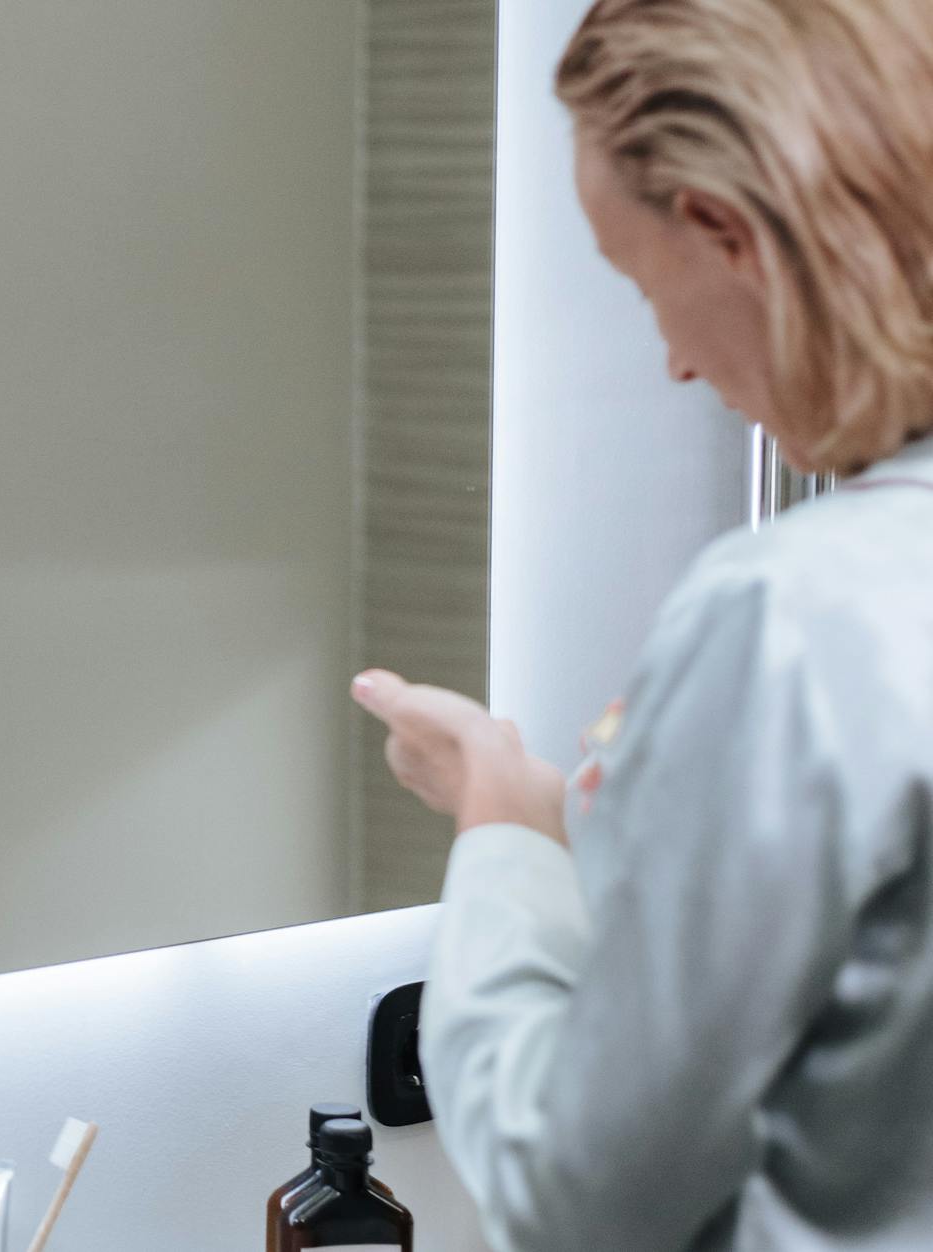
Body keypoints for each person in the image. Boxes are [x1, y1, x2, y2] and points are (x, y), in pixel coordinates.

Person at [353, 0, 933, 1247]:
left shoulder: (790, 615)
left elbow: (583, 1197)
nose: (670, 361)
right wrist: (609, 813)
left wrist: (500, 830)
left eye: (635, 279)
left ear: (729, 235)